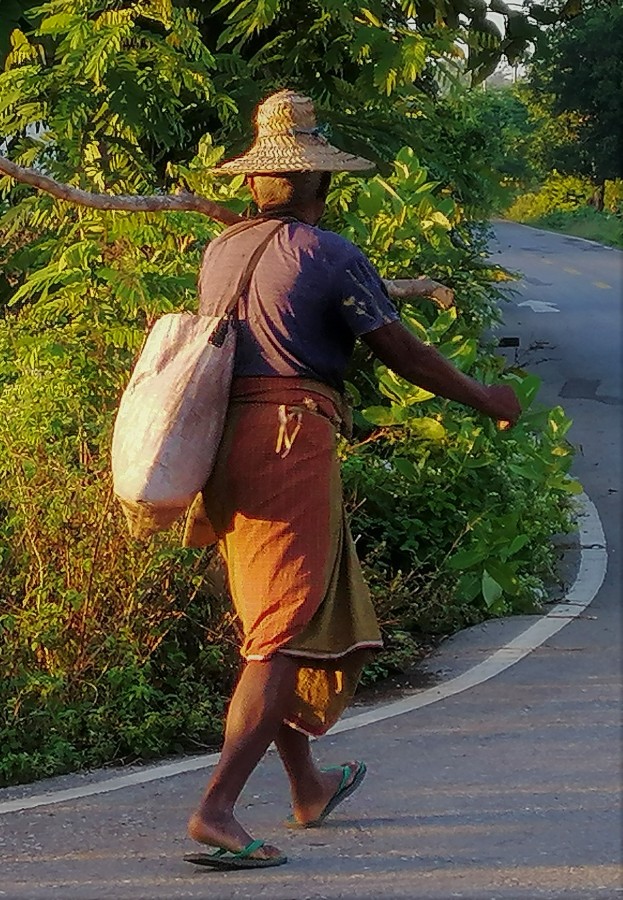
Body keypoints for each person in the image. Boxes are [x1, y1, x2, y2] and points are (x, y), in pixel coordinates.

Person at [183, 90, 521, 870]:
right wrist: (485, 398)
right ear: (322, 184)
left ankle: (308, 784)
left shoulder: (220, 250)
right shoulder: (330, 254)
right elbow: (402, 352)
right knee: (279, 631)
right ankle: (216, 810)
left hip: (224, 446)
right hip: (288, 441)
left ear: (251, 183)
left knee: (285, 612)